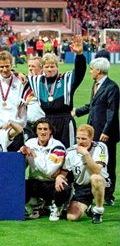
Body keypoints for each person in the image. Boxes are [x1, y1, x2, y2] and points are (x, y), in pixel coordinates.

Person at [74, 57, 119, 206]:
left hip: (106, 132)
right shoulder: (96, 84)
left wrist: (106, 131)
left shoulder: (112, 87)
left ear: (98, 71)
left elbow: (112, 111)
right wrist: (77, 111)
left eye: (92, 69)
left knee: (109, 162)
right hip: (93, 130)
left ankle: (109, 195)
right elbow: (93, 105)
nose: (90, 72)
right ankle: (94, 190)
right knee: (93, 160)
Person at [27, 35, 86, 148]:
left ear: (57, 67)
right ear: (42, 68)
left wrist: (79, 55)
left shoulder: (66, 79)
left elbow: (80, 72)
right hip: (47, 122)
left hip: (65, 121)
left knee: (67, 152)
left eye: (52, 66)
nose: (50, 69)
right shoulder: (37, 81)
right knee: (49, 152)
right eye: (47, 67)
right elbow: (19, 77)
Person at [54, 125, 110, 224]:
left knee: (95, 178)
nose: (80, 141)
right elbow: (64, 173)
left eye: (84, 139)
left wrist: (86, 154)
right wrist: (59, 177)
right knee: (71, 217)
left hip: (101, 183)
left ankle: (98, 211)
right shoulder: (70, 151)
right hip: (82, 187)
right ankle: (89, 208)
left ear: (91, 138)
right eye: (78, 138)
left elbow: (96, 170)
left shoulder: (101, 147)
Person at [20, 118, 69, 220]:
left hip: (52, 183)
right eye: (40, 129)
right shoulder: (30, 143)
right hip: (35, 182)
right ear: (36, 131)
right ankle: (36, 205)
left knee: (63, 188)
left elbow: (49, 171)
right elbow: (21, 166)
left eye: (45, 129)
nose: (43, 132)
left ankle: (57, 207)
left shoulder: (58, 147)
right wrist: (20, 154)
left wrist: (34, 155)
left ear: (50, 131)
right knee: (19, 186)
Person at [0, 51, 29, 151]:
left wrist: (17, 73)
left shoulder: (21, 81)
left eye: (7, 66)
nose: (5, 69)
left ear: (12, 65)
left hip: (16, 130)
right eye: (1, 66)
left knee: (16, 164)